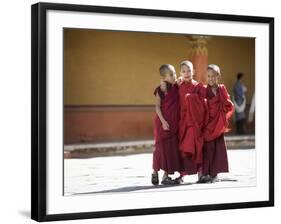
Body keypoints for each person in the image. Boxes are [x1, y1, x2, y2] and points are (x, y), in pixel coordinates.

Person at [201, 64, 234, 183]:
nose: (210, 78)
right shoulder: (204, 90)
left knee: (218, 149)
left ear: (218, 77)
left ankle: (214, 174)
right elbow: (200, 105)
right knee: (207, 149)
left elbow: (227, 103)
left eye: (213, 76)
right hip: (208, 124)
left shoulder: (221, 89)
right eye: (208, 76)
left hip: (218, 124)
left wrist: (225, 106)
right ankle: (205, 173)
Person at [176, 60, 207, 183]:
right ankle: (182, 174)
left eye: (189, 70)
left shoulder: (198, 86)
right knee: (183, 148)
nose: (187, 73)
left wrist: (191, 98)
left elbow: (204, 103)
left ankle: (200, 172)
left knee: (197, 147)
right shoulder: (179, 86)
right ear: (180, 73)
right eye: (184, 71)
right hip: (183, 122)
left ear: (193, 71)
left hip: (195, 122)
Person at [151, 64, 182, 185]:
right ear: (164, 77)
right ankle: (154, 172)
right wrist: (163, 122)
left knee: (170, 150)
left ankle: (166, 175)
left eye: (174, 73)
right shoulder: (161, 89)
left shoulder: (176, 87)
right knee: (159, 149)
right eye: (172, 74)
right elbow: (157, 107)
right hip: (162, 123)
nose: (175, 76)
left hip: (173, 124)